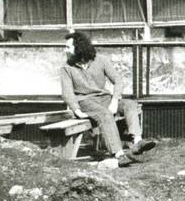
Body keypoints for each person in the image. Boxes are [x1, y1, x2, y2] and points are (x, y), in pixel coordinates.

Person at [60, 31, 155, 167]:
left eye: (68, 47)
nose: (65, 50)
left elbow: (118, 80)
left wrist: (115, 100)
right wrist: (77, 110)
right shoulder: (66, 68)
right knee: (105, 114)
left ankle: (137, 141)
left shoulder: (101, 60)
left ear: (79, 47)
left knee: (130, 104)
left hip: (105, 98)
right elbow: (67, 93)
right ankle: (119, 154)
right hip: (85, 101)